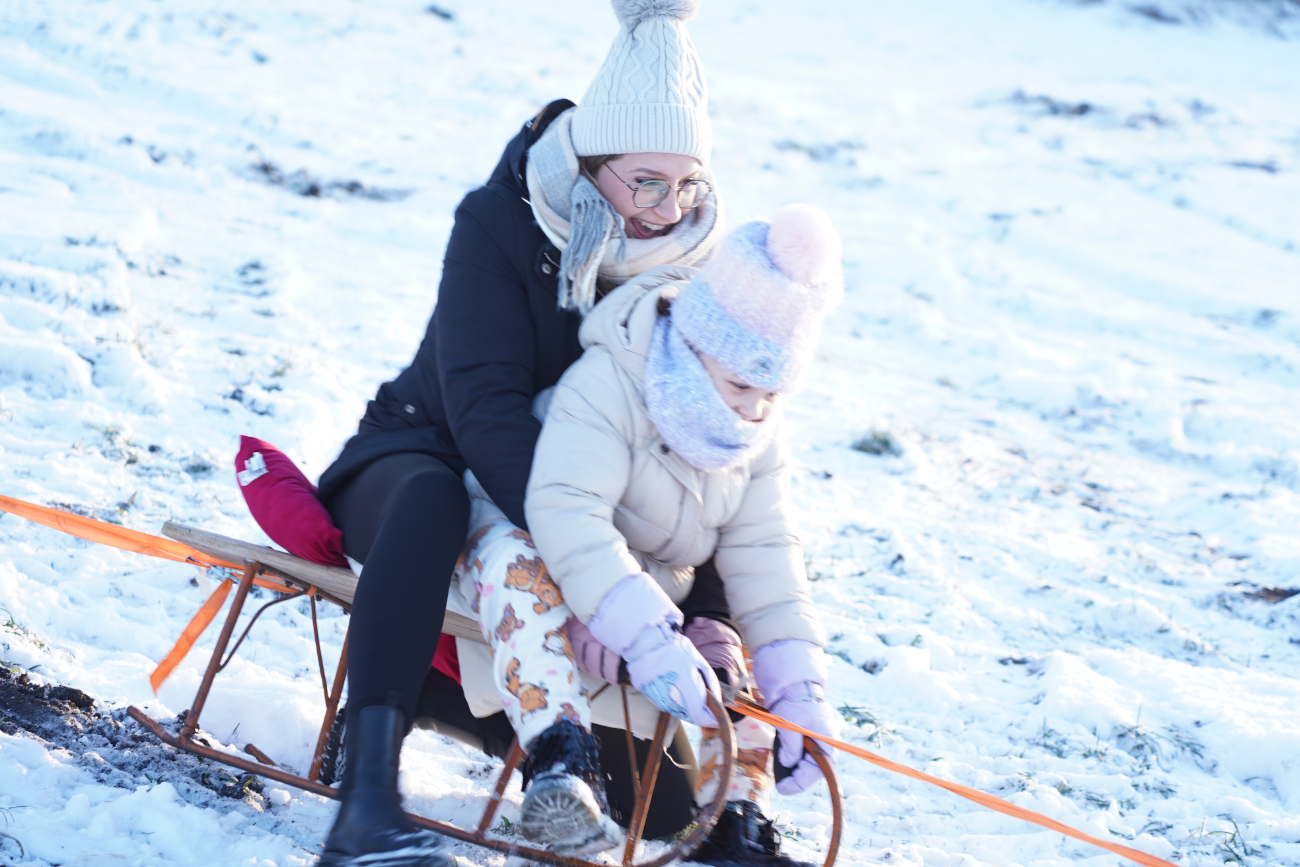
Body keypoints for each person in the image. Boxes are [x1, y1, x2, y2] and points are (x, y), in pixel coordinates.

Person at [315, 0, 723, 864]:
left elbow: (709, 448)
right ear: (590, 162)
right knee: (431, 501)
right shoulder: (499, 223)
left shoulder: (690, 273)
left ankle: (452, 703)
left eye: (685, 183)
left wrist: (707, 607)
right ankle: (365, 807)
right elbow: (484, 411)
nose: (665, 207)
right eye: (645, 180)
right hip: (424, 457)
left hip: (573, 522)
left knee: (662, 812)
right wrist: (595, 567)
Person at [453, 203, 845, 867]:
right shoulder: (614, 382)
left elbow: (766, 552)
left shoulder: (752, 432)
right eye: (744, 382)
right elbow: (566, 512)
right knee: (522, 566)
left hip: (636, 596)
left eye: (773, 392)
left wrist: (799, 686)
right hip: (521, 551)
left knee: (734, 650)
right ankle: (561, 759)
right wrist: (625, 622)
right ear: (699, 344)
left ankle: (735, 818)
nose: (755, 407)